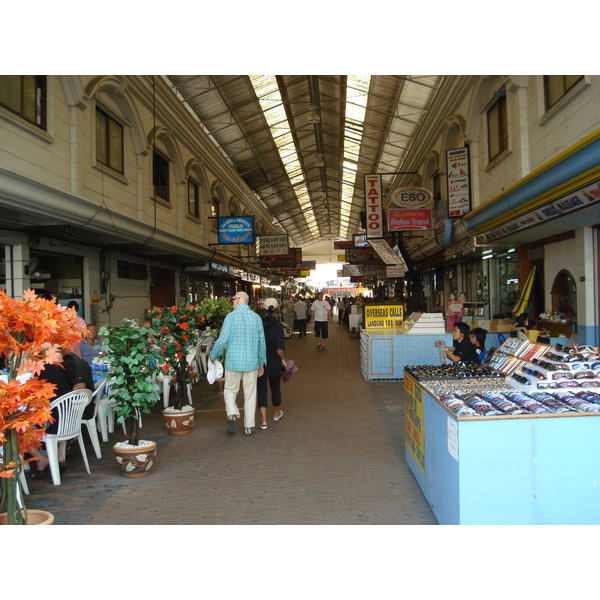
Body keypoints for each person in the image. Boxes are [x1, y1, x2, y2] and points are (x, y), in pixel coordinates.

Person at [209, 291, 266, 436]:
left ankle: (232, 414)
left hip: (233, 361)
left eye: (233, 299)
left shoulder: (231, 317)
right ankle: (249, 426)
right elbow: (261, 343)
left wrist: (213, 356)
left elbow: (222, 340)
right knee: (250, 394)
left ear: (239, 299)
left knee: (230, 390)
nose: (232, 302)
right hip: (251, 362)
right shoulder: (257, 318)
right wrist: (261, 362)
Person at [257, 298, 286, 429]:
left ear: (263, 308)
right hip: (274, 363)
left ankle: (263, 420)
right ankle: (275, 413)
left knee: (262, 390)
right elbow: (280, 350)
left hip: (259, 363)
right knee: (275, 388)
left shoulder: (258, 323)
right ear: (276, 309)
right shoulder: (279, 326)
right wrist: (283, 359)